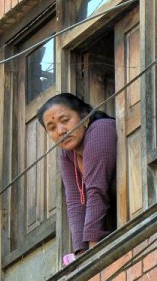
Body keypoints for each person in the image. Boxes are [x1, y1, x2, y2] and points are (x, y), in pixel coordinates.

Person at [37, 93, 117, 257]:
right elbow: (74, 202)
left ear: (85, 117)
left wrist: (93, 250)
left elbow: (97, 189)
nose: (60, 131)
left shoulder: (100, 129)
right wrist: (80, 252)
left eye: (65, 120)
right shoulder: (67, 155)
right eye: (52, 128)